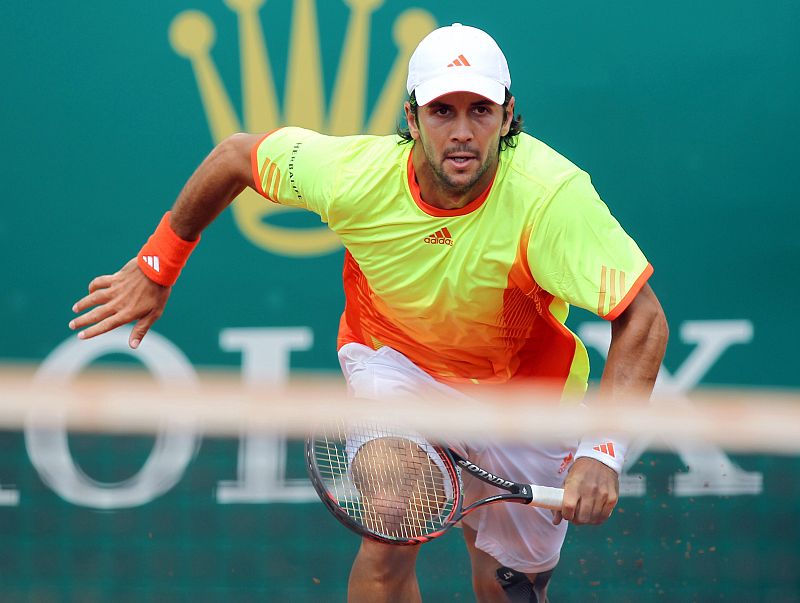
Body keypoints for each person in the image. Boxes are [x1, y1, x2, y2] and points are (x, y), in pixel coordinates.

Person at [69, 23, 668, 603]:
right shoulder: (355, 177)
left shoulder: (551, 197)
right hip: (397, 364)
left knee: (510, 585)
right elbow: (235, 158)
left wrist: (602, 451)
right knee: (391, 519)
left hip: (525, 397)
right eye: (442, 111)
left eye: (480, 111)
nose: (462, 132)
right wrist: (157, 266)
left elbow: (642, 319)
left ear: (507, 116)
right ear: (412, 117)